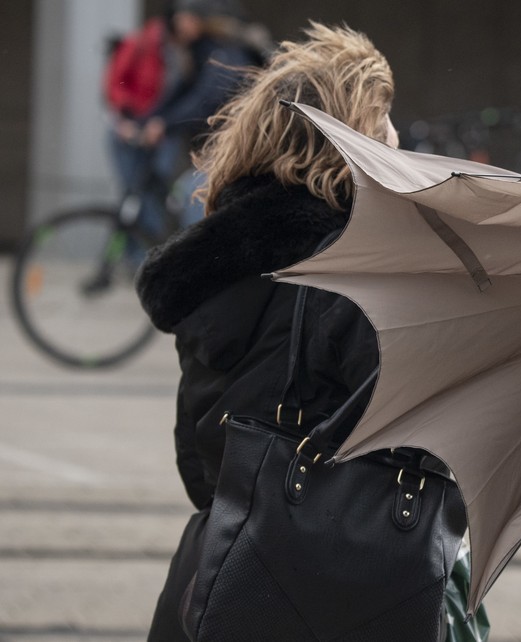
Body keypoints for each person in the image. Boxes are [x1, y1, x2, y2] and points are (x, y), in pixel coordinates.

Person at [136, 22, 464, 640]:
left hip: (215, 578)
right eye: (387, 127)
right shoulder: (357, 276)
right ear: (357, 142)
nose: (399, 141)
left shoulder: (213, 268)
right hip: (335, 595)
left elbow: (201, 466)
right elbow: (428, 444)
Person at [106, 0, 271, 237]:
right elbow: (180, 94)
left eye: (184, 17)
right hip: (226, 148)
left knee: (193, 193)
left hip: (246, 150)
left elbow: (207, 99)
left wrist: (164, 125)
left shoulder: (225, 51)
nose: (177, 22)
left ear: (202, 20)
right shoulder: (201, 50)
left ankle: (204, 266)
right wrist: (143, 123)